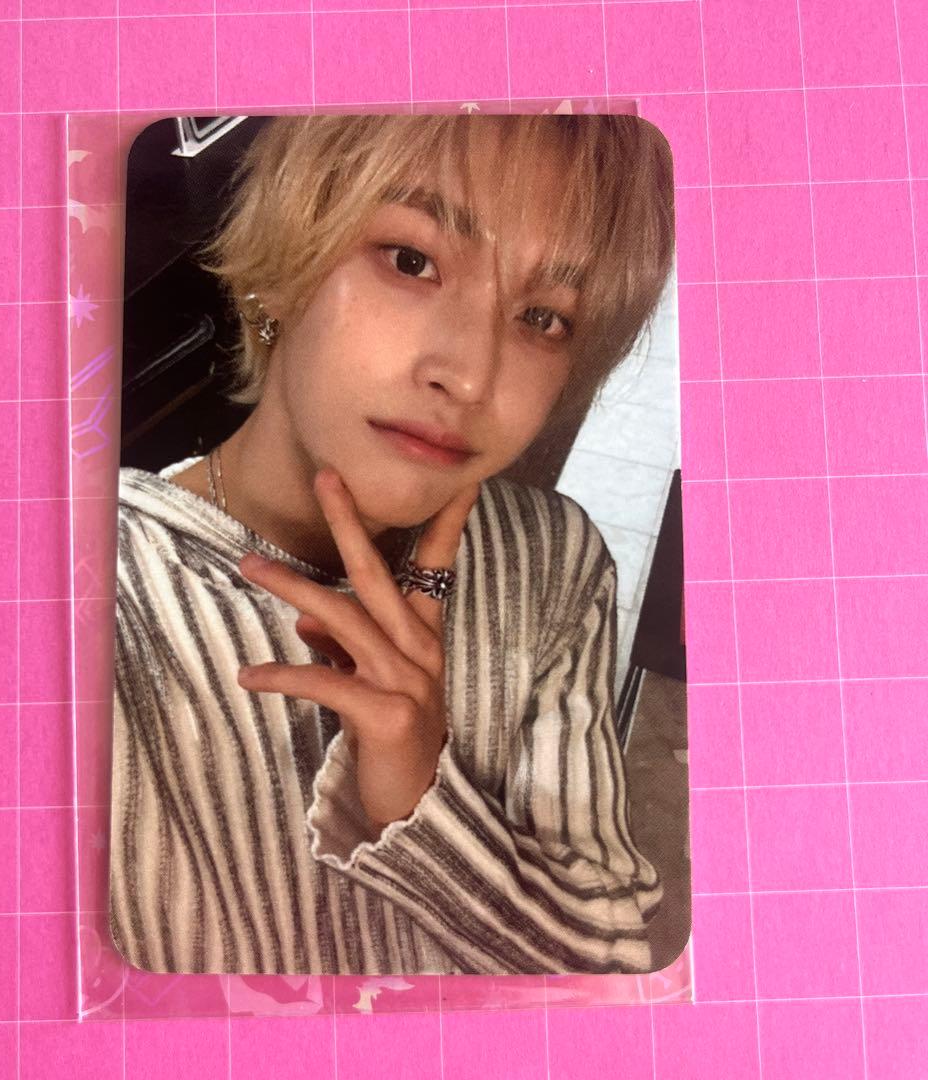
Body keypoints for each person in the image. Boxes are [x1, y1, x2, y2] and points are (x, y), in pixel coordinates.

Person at [109, 113, 676, 976]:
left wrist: (423, 802)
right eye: (412, 261)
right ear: (287, 265)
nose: (471, 375)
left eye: (543, 316)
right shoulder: (77, 603)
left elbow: (612, 966)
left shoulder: (553, 562)